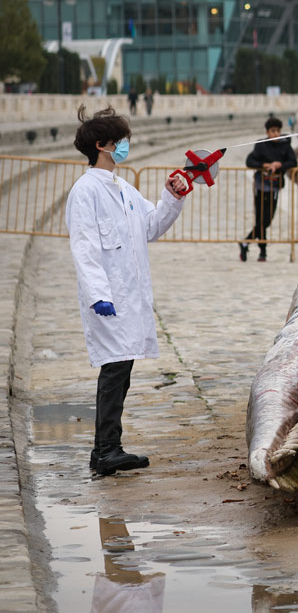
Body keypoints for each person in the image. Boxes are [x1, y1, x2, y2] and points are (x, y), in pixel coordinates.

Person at [65, 105, 189, 477]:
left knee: (122, 368)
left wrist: (172, 197)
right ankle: (106, 450)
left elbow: (150, 226)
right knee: (115, 369)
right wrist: (97, 294)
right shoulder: (85, 191)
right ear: (101, 145)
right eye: (119, 141)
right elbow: (84, 248)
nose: (124, 147)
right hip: (109, 299)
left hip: (130, 297)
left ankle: (104, 448)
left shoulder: (123, 188)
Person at [240, 116, 296, 262]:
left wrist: (279, 165)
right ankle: (262, 251)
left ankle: (245, 242)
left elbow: (292, 161)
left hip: (275, 186)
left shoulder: (285, 145)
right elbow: (249, 161)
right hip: (261, 186)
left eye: (278, 131)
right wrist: (264, 165)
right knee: (260, 219)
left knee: (267, 220)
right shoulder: (261, 145)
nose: (276, 134)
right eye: (273, 131)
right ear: (267, 132)